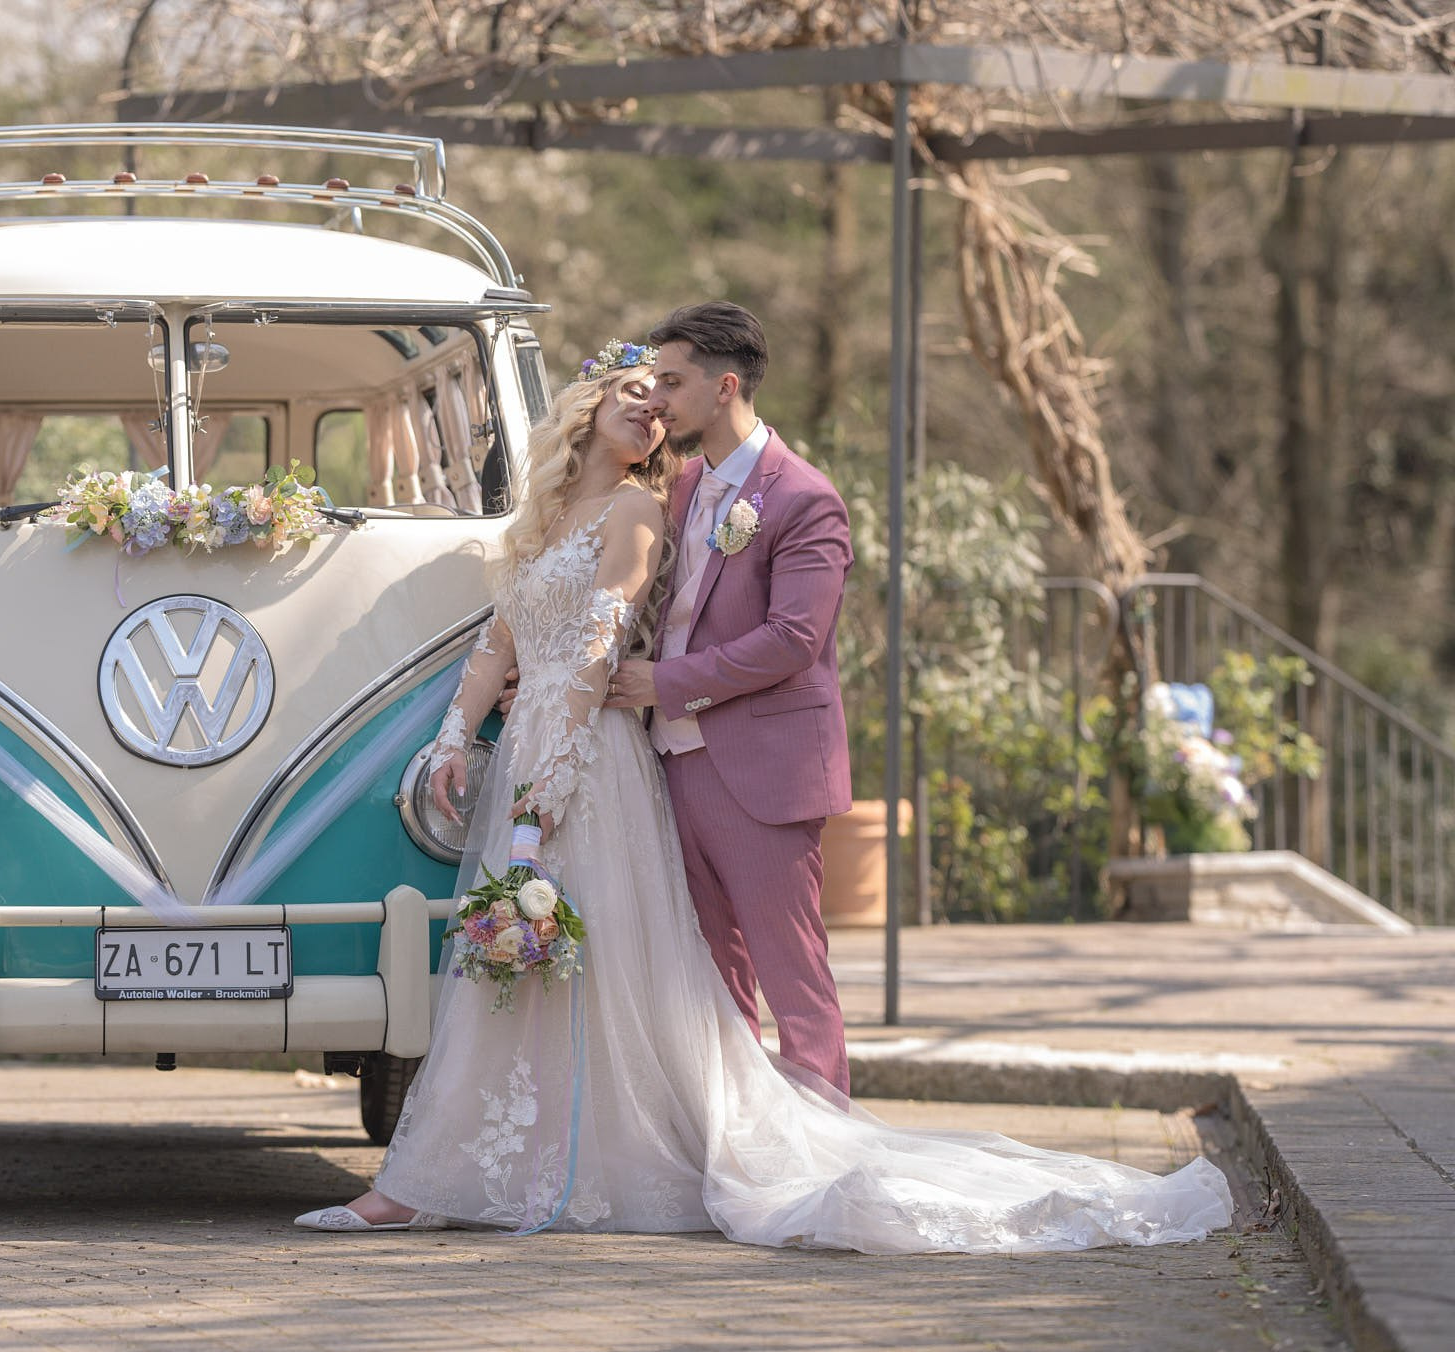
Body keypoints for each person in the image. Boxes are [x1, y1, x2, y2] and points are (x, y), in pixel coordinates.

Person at [292, 339, 1232, 1252]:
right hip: (551, 747)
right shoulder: (568, 517)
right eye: (636, 390)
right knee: (531, 965)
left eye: (663, 393)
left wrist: (545, 792)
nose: (652, 406)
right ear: (584, 411)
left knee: (651, 958)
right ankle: (452, 1174)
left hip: (598, 753)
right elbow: (500, 641)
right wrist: (459, 736)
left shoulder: (657, 508)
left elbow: (629, 646)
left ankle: (756, 1144)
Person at [604, 302, 852, 1094]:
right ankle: (744, 1146)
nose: (658, 399)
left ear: (726, 387)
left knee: (793, 976)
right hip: (674, 765)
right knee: (714, 978)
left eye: (672, 382)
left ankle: (824, 1157)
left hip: (763, 769)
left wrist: (664, 684)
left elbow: (793, 640)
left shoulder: (803, 498)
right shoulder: (678, 490)